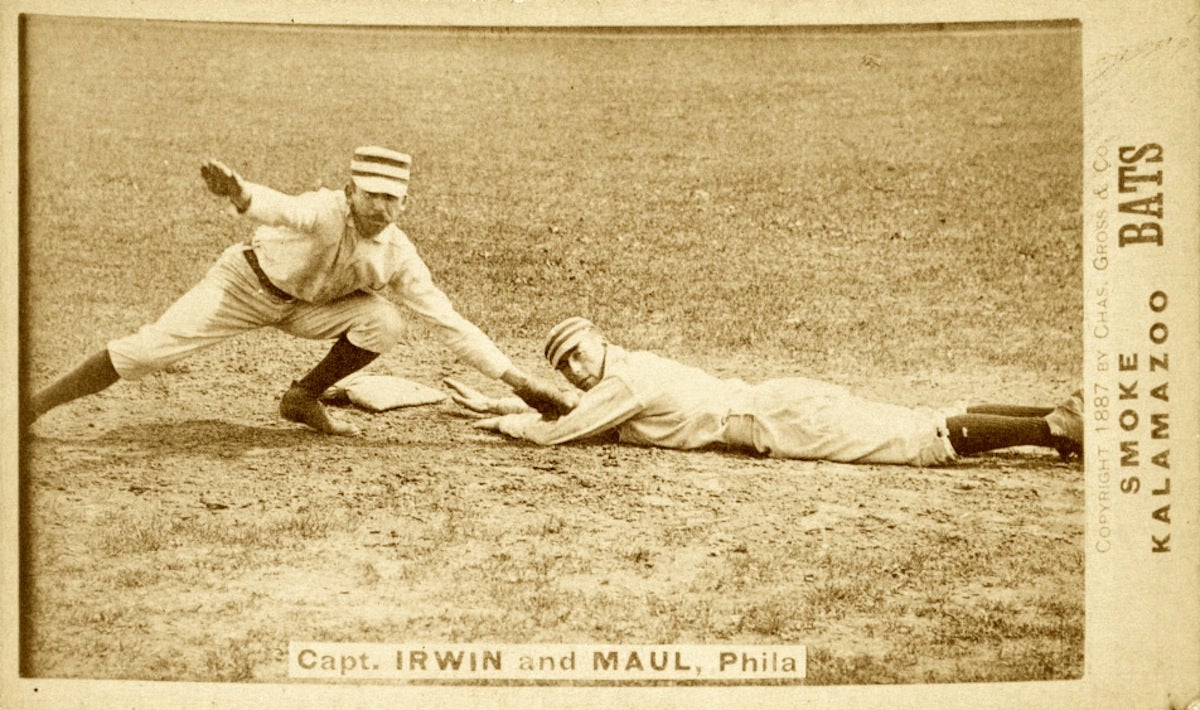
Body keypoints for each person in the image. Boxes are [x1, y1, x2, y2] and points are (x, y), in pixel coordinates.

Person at [26, 146, 571, 435]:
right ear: (350, 189)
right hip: (243, 284)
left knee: (386, 320)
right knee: (147, 351)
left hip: (309, 309)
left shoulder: (398, 253)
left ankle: (302, 396)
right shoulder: (325, 209)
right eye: (373, 195)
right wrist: (240, 193)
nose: (382, 208)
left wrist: (523, 384)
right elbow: (284, 206)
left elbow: (451, 322)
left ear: (405, 203)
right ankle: (31, 408)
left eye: (394, 199)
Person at [447, 316, 1084, 467]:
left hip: (775, 419)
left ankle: (1056, 428)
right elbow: (593, 413)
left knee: (922, 441)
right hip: (775, 404)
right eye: (565, 368)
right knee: (917, 421)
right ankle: (1061, 422)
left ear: (599, 340)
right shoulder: (625, 373)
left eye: (578, 355)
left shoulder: (626, 379)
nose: (576, 372)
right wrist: (504, 401)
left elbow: (566, 431)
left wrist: (511, 423)